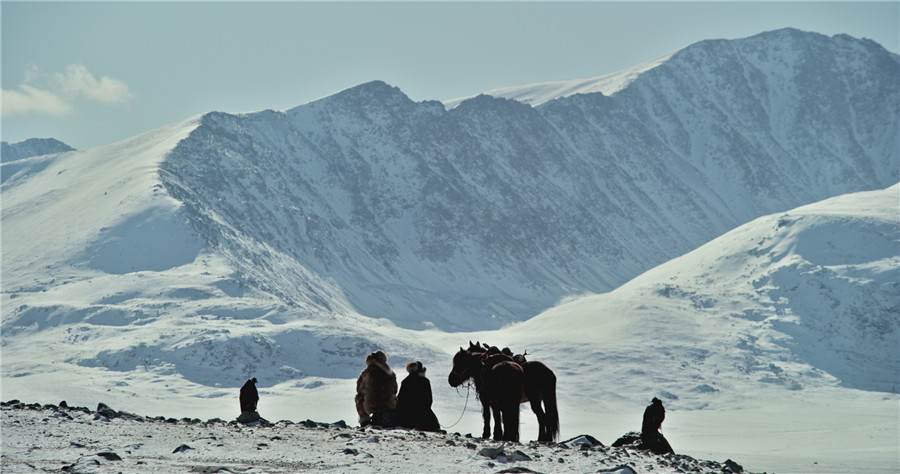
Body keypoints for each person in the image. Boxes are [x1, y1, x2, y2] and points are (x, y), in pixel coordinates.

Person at [355, 350, 398, 427]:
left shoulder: (366, 372)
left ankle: (365, 420)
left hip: (371, 405)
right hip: (389, 404)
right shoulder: (390, 373)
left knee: (358, 398)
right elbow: (395, 389)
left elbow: (359, 389)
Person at [397, 361, 440, 432]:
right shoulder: (425, 381)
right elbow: (428, 400)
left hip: (406, 416)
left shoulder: (405, 381)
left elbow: (400, 399)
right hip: (423, 416)